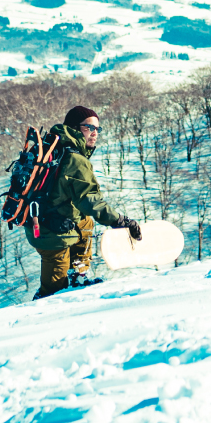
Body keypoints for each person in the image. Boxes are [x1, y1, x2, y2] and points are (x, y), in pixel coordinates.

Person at [30, 105, 141, 299]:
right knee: (52, 294)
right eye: (89, 127)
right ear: (74, 128)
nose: (95, 133)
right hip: (52, 234)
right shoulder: (74, 159)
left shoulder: (57, 148)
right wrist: (120, 221)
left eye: (98, 129)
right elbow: (91, 201)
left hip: (42, 222)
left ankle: (77, 276)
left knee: (85, 222)